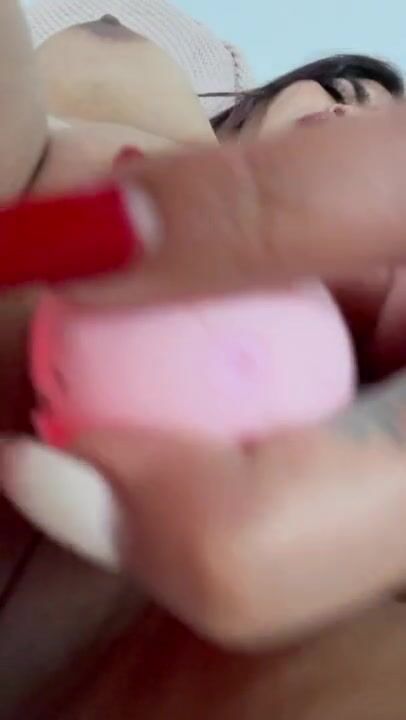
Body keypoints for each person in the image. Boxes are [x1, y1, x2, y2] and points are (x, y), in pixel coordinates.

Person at [1, 0, 406, 716]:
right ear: (256, 98)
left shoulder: (351, 344)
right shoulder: (156, 88)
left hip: (152, 625)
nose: (349, 116)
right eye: (342, 91)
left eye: (383, 125)